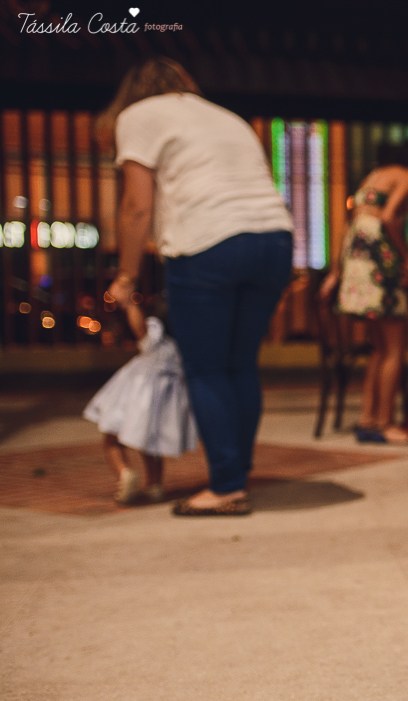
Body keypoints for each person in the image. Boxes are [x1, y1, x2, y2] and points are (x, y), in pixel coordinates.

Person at [101, 57, 294, 516]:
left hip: (208, 243)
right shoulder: (225, 116)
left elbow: (136, 206)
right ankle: (237, 473)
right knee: (241, 364)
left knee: (206, 370)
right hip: (274, 240)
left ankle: (226, 486)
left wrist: (125, 275)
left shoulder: (137, 116)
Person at [321, 143, 408, 444]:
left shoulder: (374, 175)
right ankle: (386, 423)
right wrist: (405, 259)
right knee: (395, 348)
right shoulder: (406, 176)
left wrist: (336, 272)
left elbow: (351, 223)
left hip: (357, 258)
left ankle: (369, 419)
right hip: (379, 259)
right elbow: (388, 218)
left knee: (378, 348)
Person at [83, 297, 198, 505]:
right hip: (168, 397)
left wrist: (129, 304)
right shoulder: (184, 343)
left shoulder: (154, 336)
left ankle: (124, 472)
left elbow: (139, 329)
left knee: (111, 436)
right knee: (151, 444)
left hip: (138, 393)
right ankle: (155, 484)